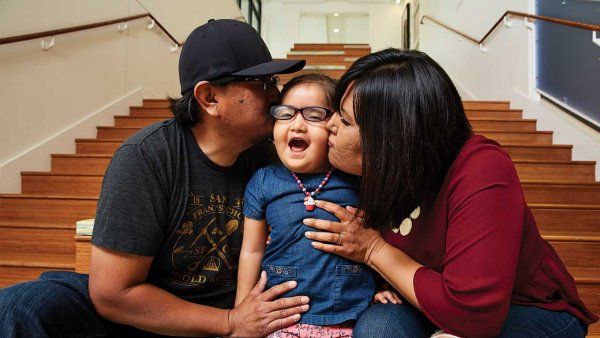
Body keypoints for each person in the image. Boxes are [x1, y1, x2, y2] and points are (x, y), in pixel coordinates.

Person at [0, 19, 311, 337]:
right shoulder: (147, 156)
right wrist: (230, 323)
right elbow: (112, 294)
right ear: (209, 98)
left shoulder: (277, 157)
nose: (277, 95)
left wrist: (364, 243)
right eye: (262, 83)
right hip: (150, 313)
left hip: (236, 308)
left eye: (273, 80)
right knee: (23, 305)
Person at [301, 49, 599, 337]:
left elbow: (472, 314)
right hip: (420, 303)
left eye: (345, 119)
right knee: (379, 328)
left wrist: (374, 251)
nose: (330, 125)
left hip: (524, 309)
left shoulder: (482, 169)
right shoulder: (363, 171)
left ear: (391, 137)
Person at [235, 74, 379, 338]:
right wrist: (241, 312)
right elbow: (252, 251)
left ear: (336, 125)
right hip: (281, 318)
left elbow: (379, 240)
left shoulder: (358, 179)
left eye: (314, 115)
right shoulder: (264, 181)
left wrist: (385, 284)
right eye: (285, 114)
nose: (297, 125)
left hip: (350, 316)